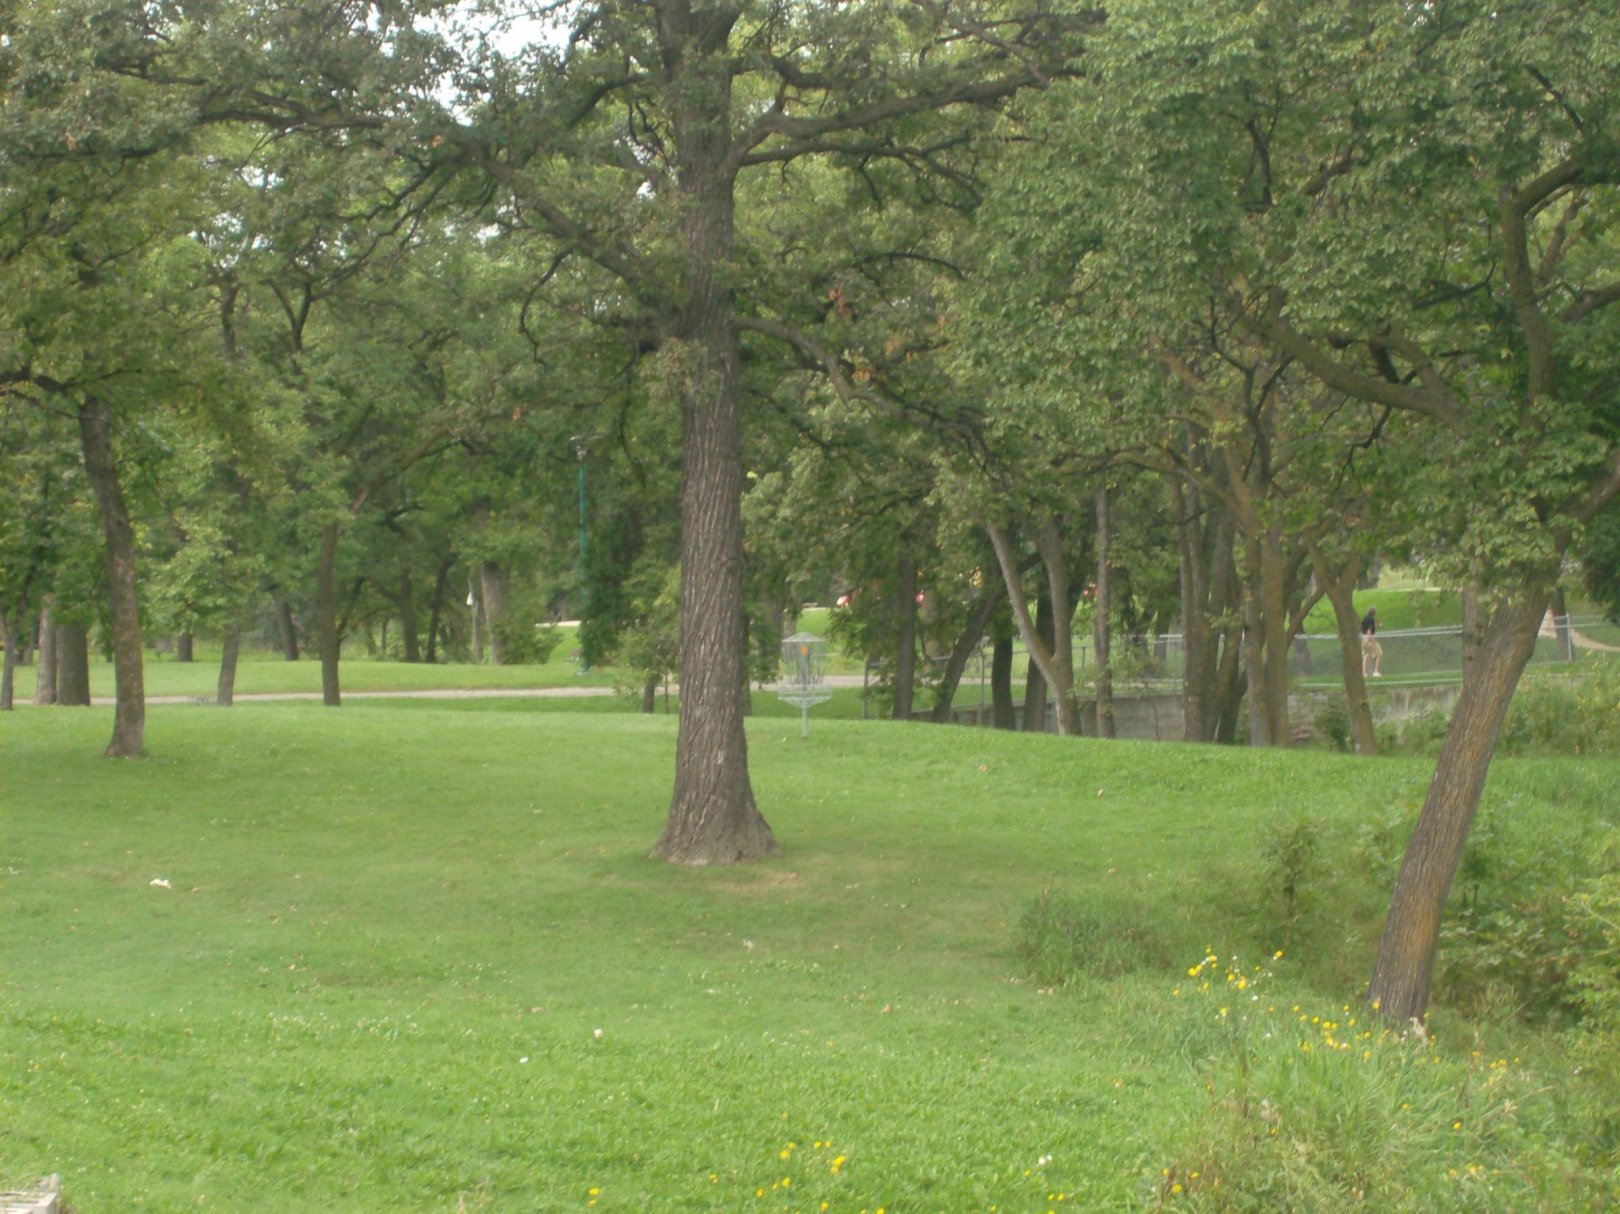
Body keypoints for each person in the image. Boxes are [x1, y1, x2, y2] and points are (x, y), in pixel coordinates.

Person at [1361, 606, 1383, 677]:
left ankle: (1364, 673)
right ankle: (1376, 672)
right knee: (1379, 654)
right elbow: (1369, 630)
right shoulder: (1371, 619)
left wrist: (1377, 624)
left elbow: (1368, 626)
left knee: (1366, 656)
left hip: (1364, 637)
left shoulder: (1364, 619)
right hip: (1370, 638)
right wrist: (1369, 640)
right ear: (1374, 613)